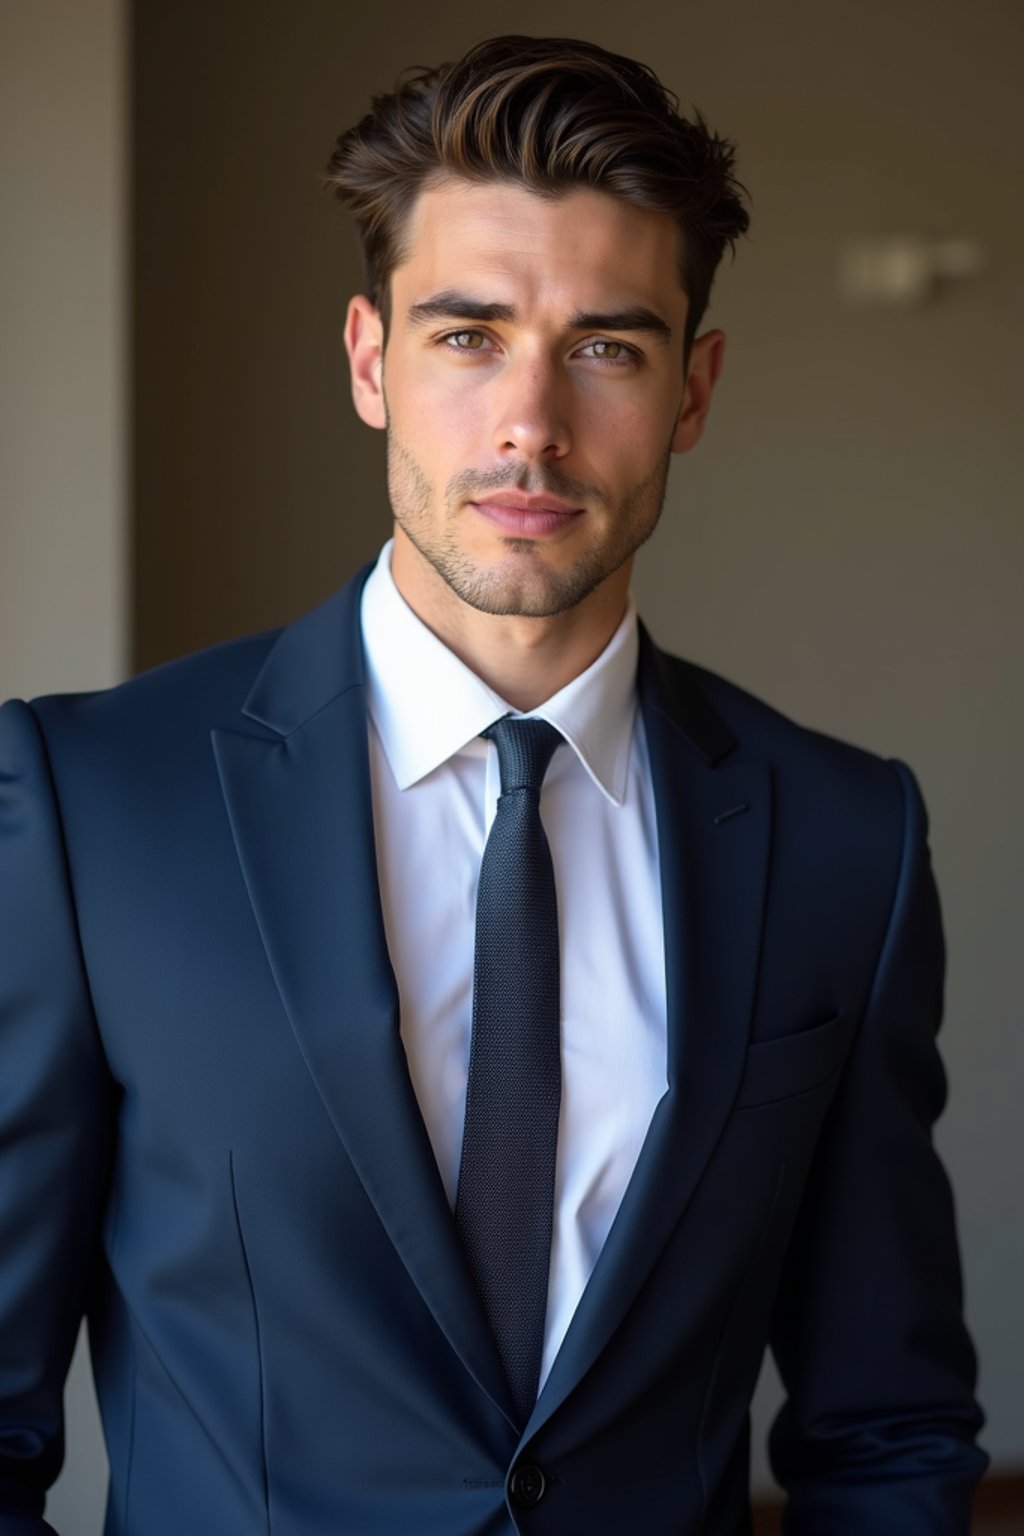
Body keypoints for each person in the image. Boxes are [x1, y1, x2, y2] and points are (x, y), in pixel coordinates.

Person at [0, 33, 986, 1536]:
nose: (531, 421)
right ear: (368, 360)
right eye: (467, 335)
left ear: (693, 389)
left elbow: (889, 1426)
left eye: (605, 345)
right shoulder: (91, 807)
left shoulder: (849, 840)